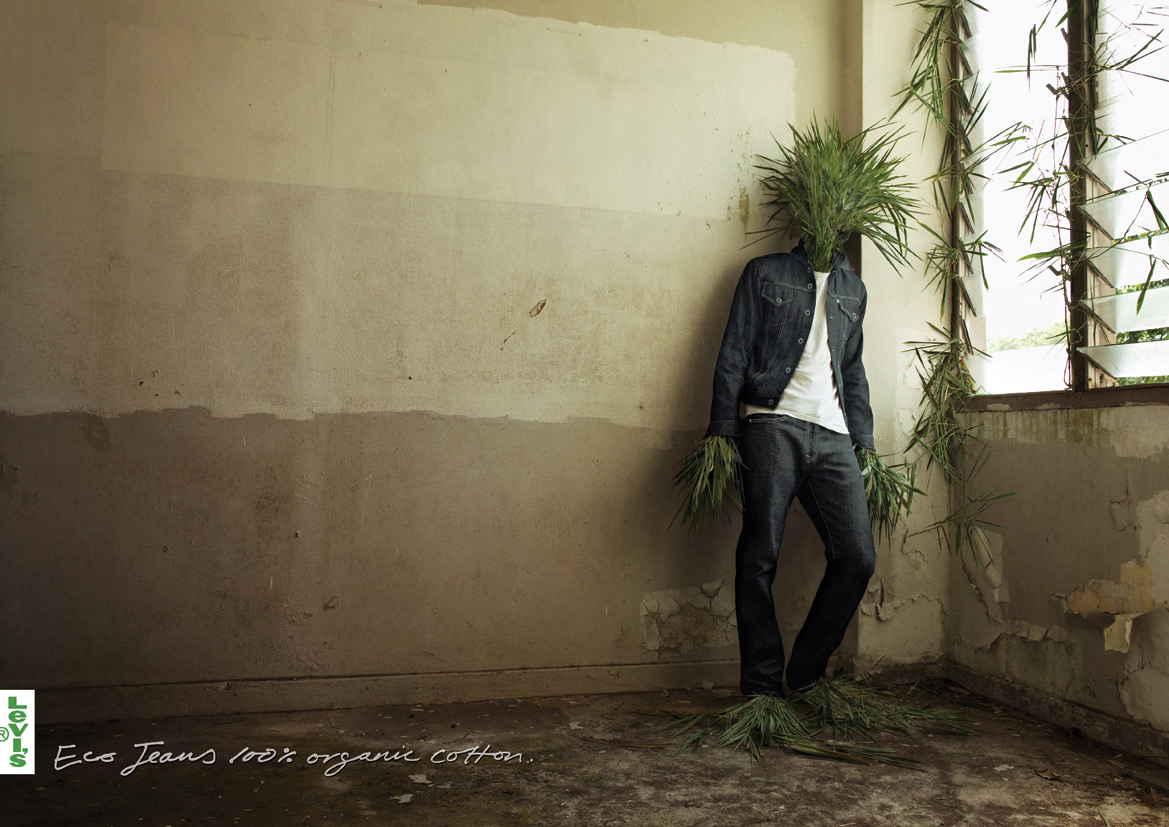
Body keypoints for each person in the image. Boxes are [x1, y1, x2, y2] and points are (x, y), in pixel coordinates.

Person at [706, 238, 876, 696]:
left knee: (857, 558)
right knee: (760, 554)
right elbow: (734, 351)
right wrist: (724, 428)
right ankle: (761, 686)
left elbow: (853, 370)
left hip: (834, 433)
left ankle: (805, 675)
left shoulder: (853, 288)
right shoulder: (765, 271)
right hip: (771, 423)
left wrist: (864, 441)